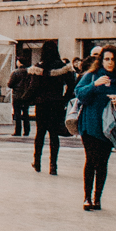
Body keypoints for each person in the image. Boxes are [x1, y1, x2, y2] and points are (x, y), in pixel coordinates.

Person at [74, 43, 116, 212]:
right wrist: (95, 85)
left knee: (103, 163)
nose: (110, 62)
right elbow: (79, 93)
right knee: (91, 160)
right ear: (101, 60)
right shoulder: (92, 75)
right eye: (106, 59)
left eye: (113, 59)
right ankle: (87, 197)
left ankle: (97, 198)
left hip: (108, 126)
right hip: (90, 124)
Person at [30, 44, 74, 177]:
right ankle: (53, 166)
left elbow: (33, 86)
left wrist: (34, 99)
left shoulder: (39, 67)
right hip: (57, 104)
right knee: (54, 134)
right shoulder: (63, 67)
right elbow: (72, 84)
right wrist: (64, 99)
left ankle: (37, 162)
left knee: (40, 133)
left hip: (42, 104)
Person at [8, 56, 35, 137]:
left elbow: (10, 84)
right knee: (26, 113)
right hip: (26, 95)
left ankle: (18, 131)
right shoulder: (29, 72)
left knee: (17, 114)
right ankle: (27, 130)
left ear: (19, 62)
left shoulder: (15, 72)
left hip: (17, 95)